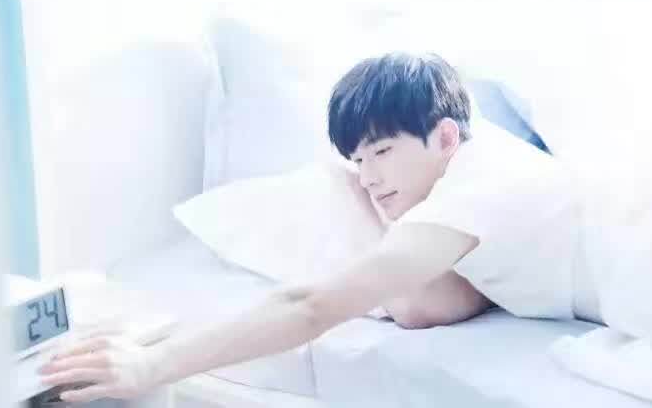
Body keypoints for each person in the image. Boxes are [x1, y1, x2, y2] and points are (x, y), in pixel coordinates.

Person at [39, 53, 584, 403]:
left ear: (445, 138)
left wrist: (153, 363)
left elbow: (311, 307)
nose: (368, 178)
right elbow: (424, 306)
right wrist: (371, 198)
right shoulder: (479, 181)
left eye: (382, 152)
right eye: (357, 162)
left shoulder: (479, 184)